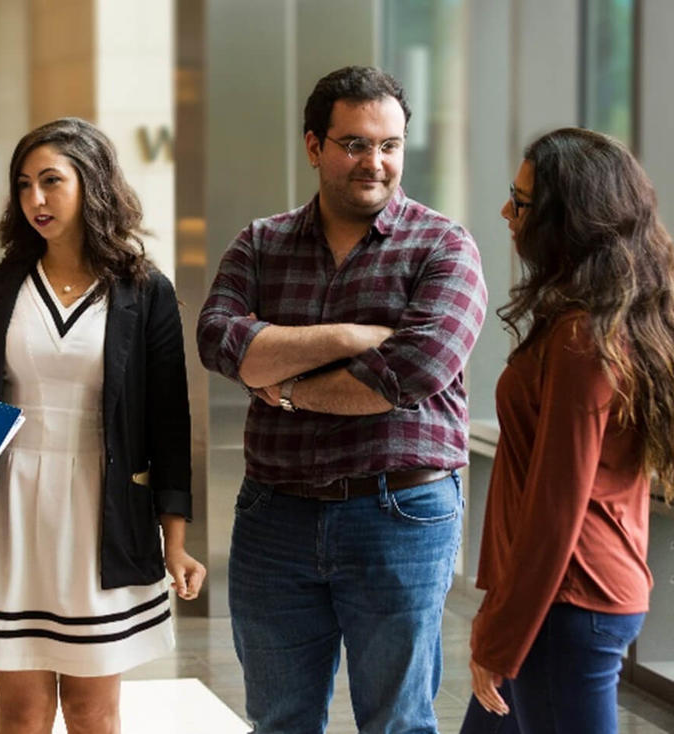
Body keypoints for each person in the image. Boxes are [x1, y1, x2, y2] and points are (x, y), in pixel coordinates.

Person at [196, 66, 487, 733]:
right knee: (279, 719)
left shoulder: (444, 246)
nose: (374, 162)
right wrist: (352, 337)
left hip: (401, 514)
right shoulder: (261, 243)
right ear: (314, 145)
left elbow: (410, 372)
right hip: (275, 518)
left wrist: (285, 385)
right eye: (355, 143)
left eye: (389, 144)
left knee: (397, 722)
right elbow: (218, 339)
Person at [0, 117, 206, 734]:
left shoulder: (145, 291)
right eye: (25, 184)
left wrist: (174, 542)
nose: (36, 198)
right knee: (20, 710)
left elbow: (170, 422)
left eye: (52, 181)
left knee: (93, 711)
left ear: (92, 184)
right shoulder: (1, 285)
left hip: (102, 509)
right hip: (7, 507)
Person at [461, 128, 674, 734]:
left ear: (568, 220)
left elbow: (557, 508)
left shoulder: (585, 338)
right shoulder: (603, 321)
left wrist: (498, 640)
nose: (507, 211)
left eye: (522, 202)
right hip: (555, 601)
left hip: (565, 604)